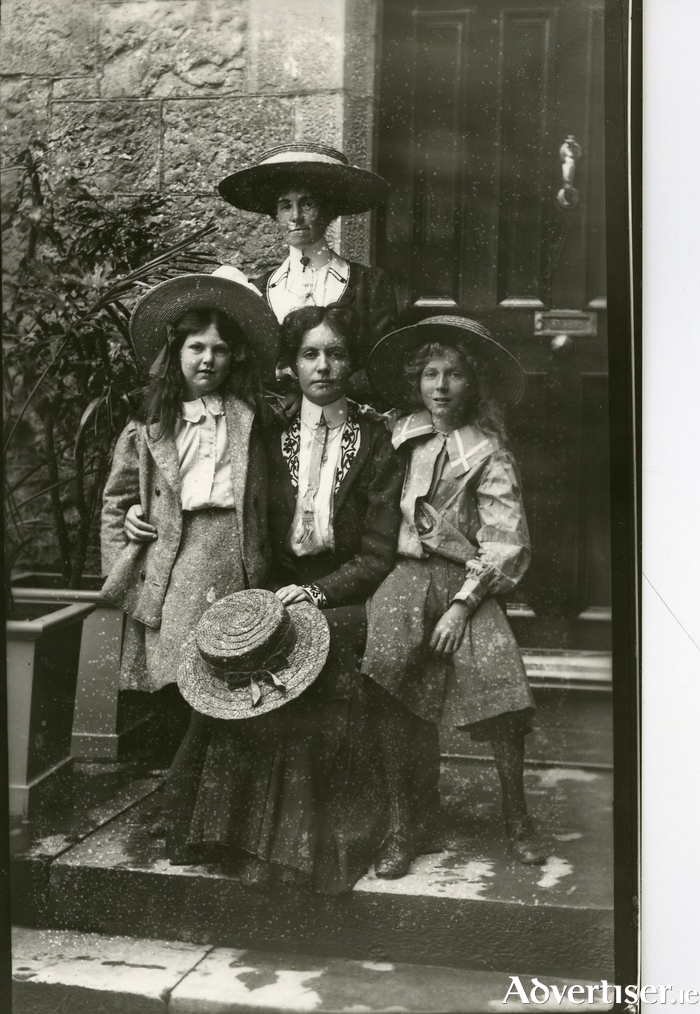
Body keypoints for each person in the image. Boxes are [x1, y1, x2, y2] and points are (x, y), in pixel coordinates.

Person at [165, 302, 404, 893]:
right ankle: (230, 835)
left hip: (345, 595)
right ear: (290, 366)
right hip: (274, 588)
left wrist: (318, 593)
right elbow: (204, 482)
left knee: (314, 663)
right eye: (309, 354)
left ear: (352, 363)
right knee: (247, 656)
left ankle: (298, 849)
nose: (323, 366)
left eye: (336, 353)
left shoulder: (376, 441)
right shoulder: (263, 433)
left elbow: (377, 554)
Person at [361, 315, 548, 878]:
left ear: (476, 384)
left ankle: (517, 819)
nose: (441, 386)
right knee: (388, 676)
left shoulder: (489, 453)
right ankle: (403, 823)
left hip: (469, 581)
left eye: (456, 376)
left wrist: (465, 603)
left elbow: (505, 540)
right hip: (405, 578)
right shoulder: (398, 436)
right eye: (431, 374)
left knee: (503, 683)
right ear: (417, 381)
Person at [100, 269, 279, 761]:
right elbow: (118, 499)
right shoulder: (150, 423)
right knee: (175, 658)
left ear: (235, 356)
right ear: (175, 354)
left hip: (233, 548)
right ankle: (173, 774)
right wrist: (125, 555)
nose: (207, 359)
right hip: (171, 550)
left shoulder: (251, 417)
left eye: (219, 350)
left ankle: (215, 776)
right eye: (196, 347)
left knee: (227, 659)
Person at [217, 142, 397, 398]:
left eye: (308, 204)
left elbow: (382, 364)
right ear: (276, 215)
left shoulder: (369, 284)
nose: (296, 216)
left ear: (329, 211)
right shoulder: (259, 289)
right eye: (285, 205)